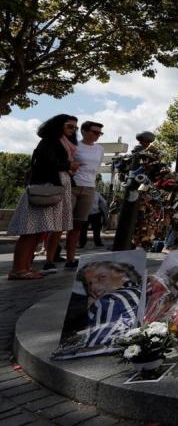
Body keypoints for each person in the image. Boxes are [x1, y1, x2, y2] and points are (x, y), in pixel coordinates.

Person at [7, 115, 80, 280]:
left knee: (38, 230)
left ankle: (24, 267)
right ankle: (19, 269)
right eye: (70, 126)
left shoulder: (59, 142)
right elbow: (45, 163)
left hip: (52, 187)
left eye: (75, 128)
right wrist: (69, 165)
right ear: (58, 125)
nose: (73, 130)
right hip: (47, 188)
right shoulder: (51, 141)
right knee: (30, 231)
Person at [46, 121, 104, 272]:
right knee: (60, 224)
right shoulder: (74, 145)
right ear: (84, 131)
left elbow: (95, 168)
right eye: (95, 132)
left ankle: (71, 259)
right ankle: (49, 260)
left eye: (100, 133)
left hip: (89, 188)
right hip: (71, 186)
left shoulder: (100, 149)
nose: (97, 135)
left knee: (78, 225)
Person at [78, 261, 142, 348]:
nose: (93, 288)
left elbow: (92, 342)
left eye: (101, 277)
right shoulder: (142, 290)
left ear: (120, 273)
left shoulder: (107, 301)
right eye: (89, 284)